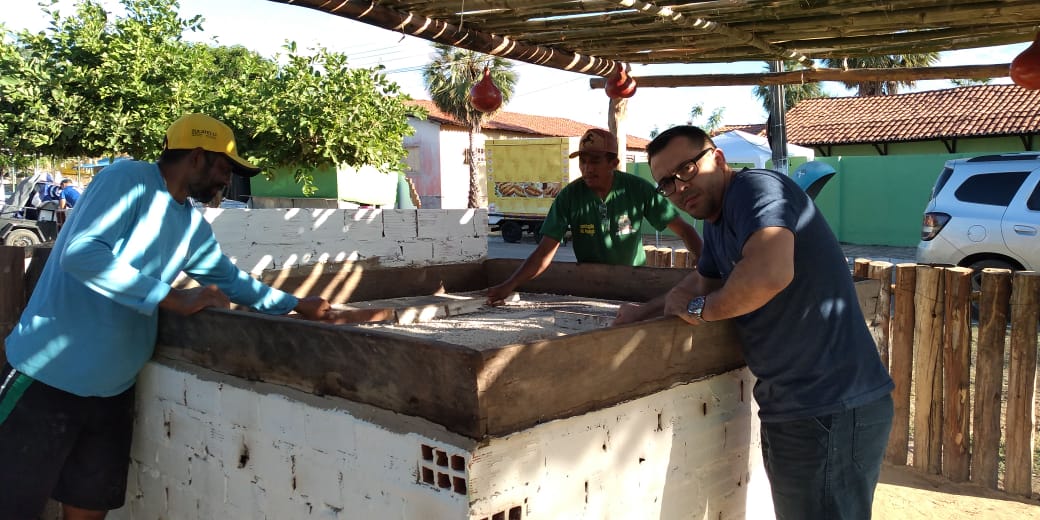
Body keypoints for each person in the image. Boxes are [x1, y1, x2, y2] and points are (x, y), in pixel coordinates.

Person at [0, 113, 333, 519]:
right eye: (224, 167)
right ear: (197, 157)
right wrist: (171, 298)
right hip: (45, 377)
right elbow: (82, 254)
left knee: (89, 509)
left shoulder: (190, 226)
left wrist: (297, 304)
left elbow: (232, 281)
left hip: (112, 393)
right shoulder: (128, 179)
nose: (226, 180)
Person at [614, 125, 894, 519]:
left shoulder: (755, 190)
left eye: (686, 170)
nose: (679, 187)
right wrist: (641, 314)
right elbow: (700, 281)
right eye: (666, 183)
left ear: (718, 159)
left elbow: (768, 275)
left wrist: (699, 310)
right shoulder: (716, 221)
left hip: (829, 404)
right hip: (795, 407)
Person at [486, 128, 703, 304]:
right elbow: (544, 252)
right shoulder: (569, 196)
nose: (587, 168)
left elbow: (685, 230)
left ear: (613, 163)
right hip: (589, 286)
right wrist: (510, 284)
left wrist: (706, 269)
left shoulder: (638, 189)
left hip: (634, 282)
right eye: (583, 161)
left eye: (595, 161)